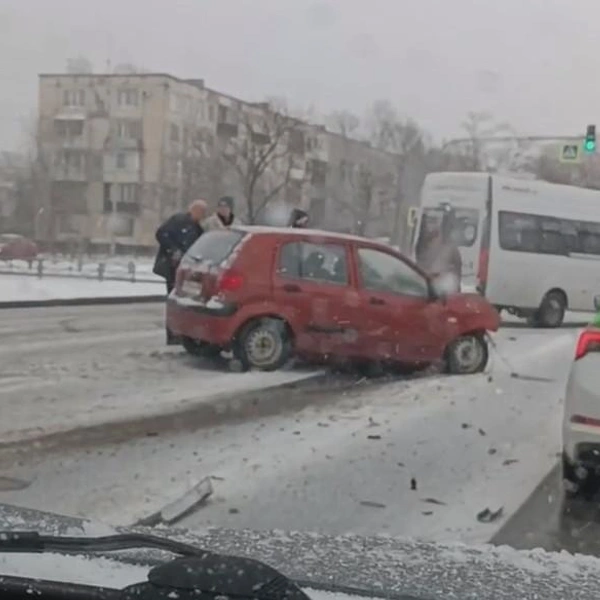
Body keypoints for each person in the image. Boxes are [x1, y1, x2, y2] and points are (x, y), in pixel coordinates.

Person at [153, 199, 207, 343]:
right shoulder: (178, 220)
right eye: (201, 212)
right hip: (172, 267)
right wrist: (173, 251)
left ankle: (181, 334)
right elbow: (161, 233)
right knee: (174, 300)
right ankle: (173, 334)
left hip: (185, 270)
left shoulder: (197, 228)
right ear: (193, 210)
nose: (202, 215)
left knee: (183, 302)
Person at [416, 212, 462, 294]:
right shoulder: (426, 242)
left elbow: (457, 268)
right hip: (427, 284)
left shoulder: (451, 248)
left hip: (437, 285)